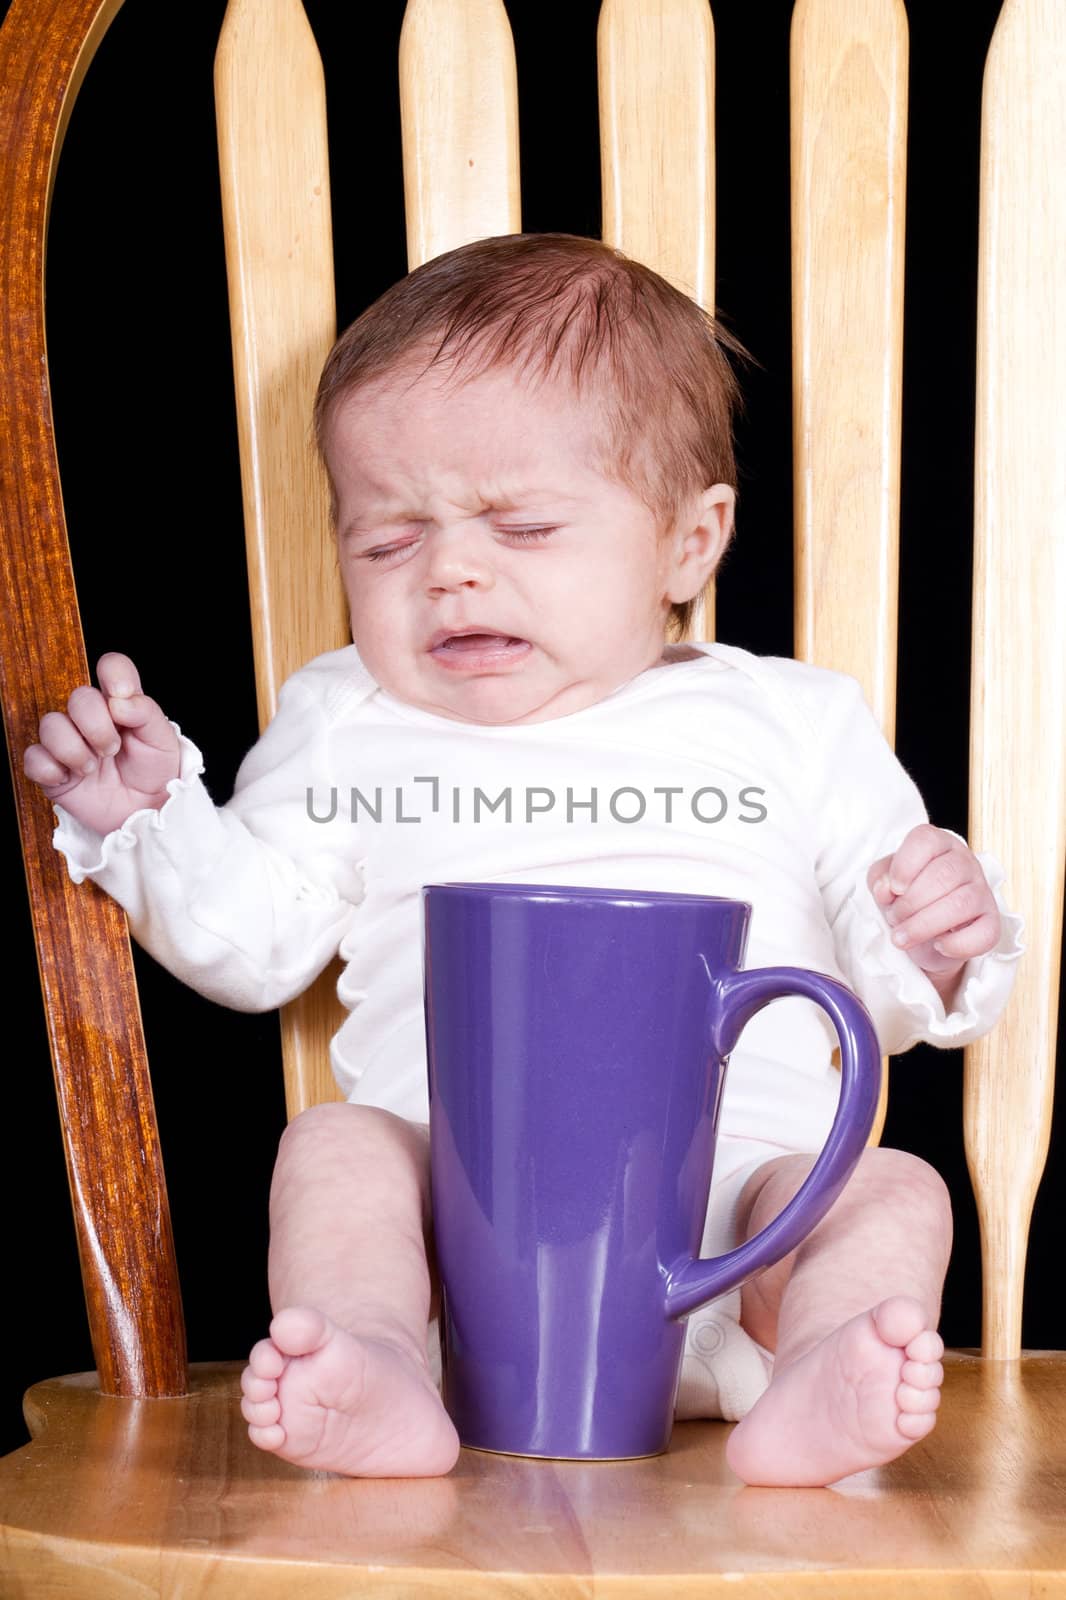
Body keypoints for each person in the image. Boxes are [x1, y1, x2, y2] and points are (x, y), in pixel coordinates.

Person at [23, 234, 1023, 1488]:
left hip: (750, 1223)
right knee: (334, 1153)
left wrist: (931, 936)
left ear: (688, 542)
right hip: (475, 1283)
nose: (450, 569)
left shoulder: (790, 722)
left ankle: (828, 1363)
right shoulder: (351, 719)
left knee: (894, 1190)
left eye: (525, 525)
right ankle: (373, 1358)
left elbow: (877, 995)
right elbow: (255, 939)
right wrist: (147, 819)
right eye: (387, 541)